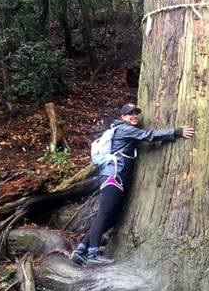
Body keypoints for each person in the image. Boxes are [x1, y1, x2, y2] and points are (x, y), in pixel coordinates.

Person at [70, 104, 195, 265]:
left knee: (111, 218)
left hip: (116, 177)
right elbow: (148, 135)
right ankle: (93, 253)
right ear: (123, 117)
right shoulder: (124, 129)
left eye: (136, 113)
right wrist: (175, 132)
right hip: (113, 177)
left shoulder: (122, 129)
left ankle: (81, 250)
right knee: (105, 214)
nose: (134, 116)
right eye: (130, 114)